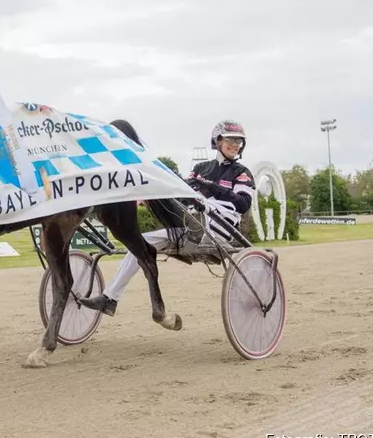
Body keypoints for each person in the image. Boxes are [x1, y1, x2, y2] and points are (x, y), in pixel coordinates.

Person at [78, 120, 256, 317]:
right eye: (230, 140)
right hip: (191, 228)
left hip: (222, 230)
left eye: (239, 142)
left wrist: (212, 188)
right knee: (141, 244)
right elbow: (181, 193)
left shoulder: (242, 173)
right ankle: (109, 298)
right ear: (218, 140)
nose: (235, 145)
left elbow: (242, 204)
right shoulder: (201, 168)